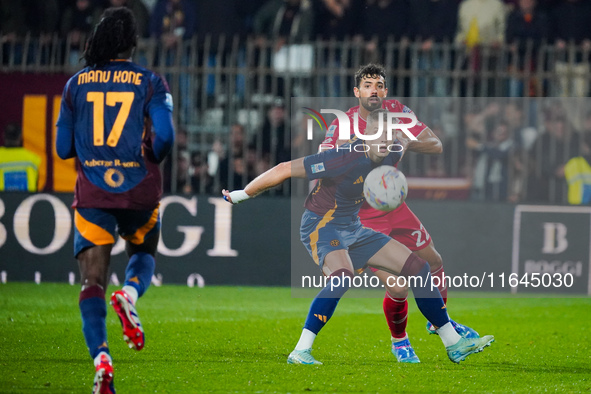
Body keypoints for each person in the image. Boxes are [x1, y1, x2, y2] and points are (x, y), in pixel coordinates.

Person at [222, 109, 494, 365]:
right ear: (366, 134)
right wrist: (241, 195)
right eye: (380, 133)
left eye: (391, 134)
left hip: (353, 226)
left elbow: (427, 143)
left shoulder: (393, 150)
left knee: (419, 268)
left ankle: (453, 343)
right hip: (322, 225)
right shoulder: (342, 157)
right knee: (342, 276)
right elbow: (283, 169)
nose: (387, 140)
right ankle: (301, 350)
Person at [320, 64, 479, 363]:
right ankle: (400, 341)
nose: (374, 90)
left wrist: (406, 140)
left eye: (379, 85)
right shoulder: (342, 125)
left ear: (386, 91)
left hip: (394, 205)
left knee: (434, 260)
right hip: (360, 216)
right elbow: (322, 163)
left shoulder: (398, 113)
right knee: (398, 284)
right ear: (357, 92)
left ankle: (438, 322)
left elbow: (436, 144)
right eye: (367, 85)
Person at [55, 7, 175, 394]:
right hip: (139, 187)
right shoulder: (150, 81)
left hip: (93, 191)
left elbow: (60, 149)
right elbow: (166, 138)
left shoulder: (76, 85)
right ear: (133, 43)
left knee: (91, 280)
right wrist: (150, 155)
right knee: (143, 252)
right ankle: (130, 293)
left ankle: (102, 359)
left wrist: (92, 151)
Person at [0, 123, 42, 192]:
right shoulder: (33, 158)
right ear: (20, 137)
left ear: (3, 136)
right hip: (27, 201)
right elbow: (36, 184)